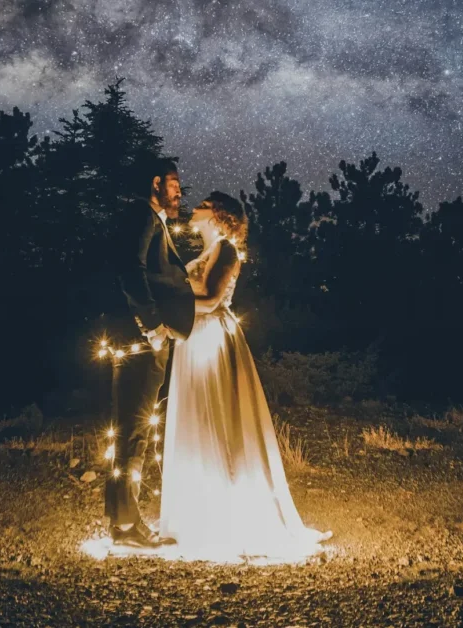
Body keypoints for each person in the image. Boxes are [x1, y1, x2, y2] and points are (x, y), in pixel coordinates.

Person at [158, 191, 331, 561]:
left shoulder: (226, 250)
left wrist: (167, 307)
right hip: (192, 338)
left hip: (211, 339)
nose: (196, 207)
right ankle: (198, 512)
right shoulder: (205, 253)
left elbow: (210, 298)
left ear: (219, 215)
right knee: (196, 420)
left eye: (204, 204)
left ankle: (231, 512)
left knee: (219, 418)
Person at [105, 158, 195, 548]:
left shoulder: (153, 220)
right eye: (174, 183)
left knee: (133, 429)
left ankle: (124, 521)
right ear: (156, 182)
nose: (179, 191)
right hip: (143, 341)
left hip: (144, 339)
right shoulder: (144, 217)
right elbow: (129, 269)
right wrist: (153, 324)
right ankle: (126, 527)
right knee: (134, 429)